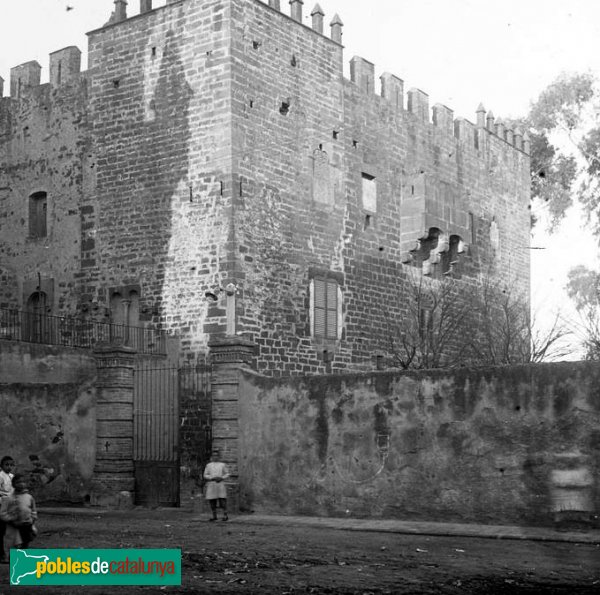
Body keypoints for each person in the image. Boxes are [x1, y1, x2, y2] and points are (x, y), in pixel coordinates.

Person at [3, 474, 37, 549]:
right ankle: (10, 558)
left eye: (23, 482)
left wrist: (32, 520)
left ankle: (23, 558)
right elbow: (3, 513)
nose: (21, 484)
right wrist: (12, 520)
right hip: (14, 525)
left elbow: (33, 510)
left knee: (26, 542)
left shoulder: (29, 497)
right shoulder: (8, 498)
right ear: (13, 484)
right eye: (18, 482)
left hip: (27, 524)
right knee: (15, 543)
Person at [203, 450, 229, 521]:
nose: (215, 457)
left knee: (222, 499)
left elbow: (227, 474)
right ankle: (214, 515)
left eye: (216, 455)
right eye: (214, 455)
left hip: (220, 484)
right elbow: (205, 475)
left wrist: (221, 478)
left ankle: (225, 515)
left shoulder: (222, 465)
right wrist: (211, 478)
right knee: (212, 500)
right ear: (212, 457)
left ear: (219, 456)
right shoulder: (209, 465)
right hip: (212, 484)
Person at [0, 456, 15, 563]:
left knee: (10, 530)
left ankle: (9, 554)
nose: (9, 467)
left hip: (11, 505)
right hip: (2, 504)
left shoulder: (12, 476)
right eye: (6, 464)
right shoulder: (0, 476)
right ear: (1, 466)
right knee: (1, 529)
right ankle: (2, 554)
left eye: (11, 465)